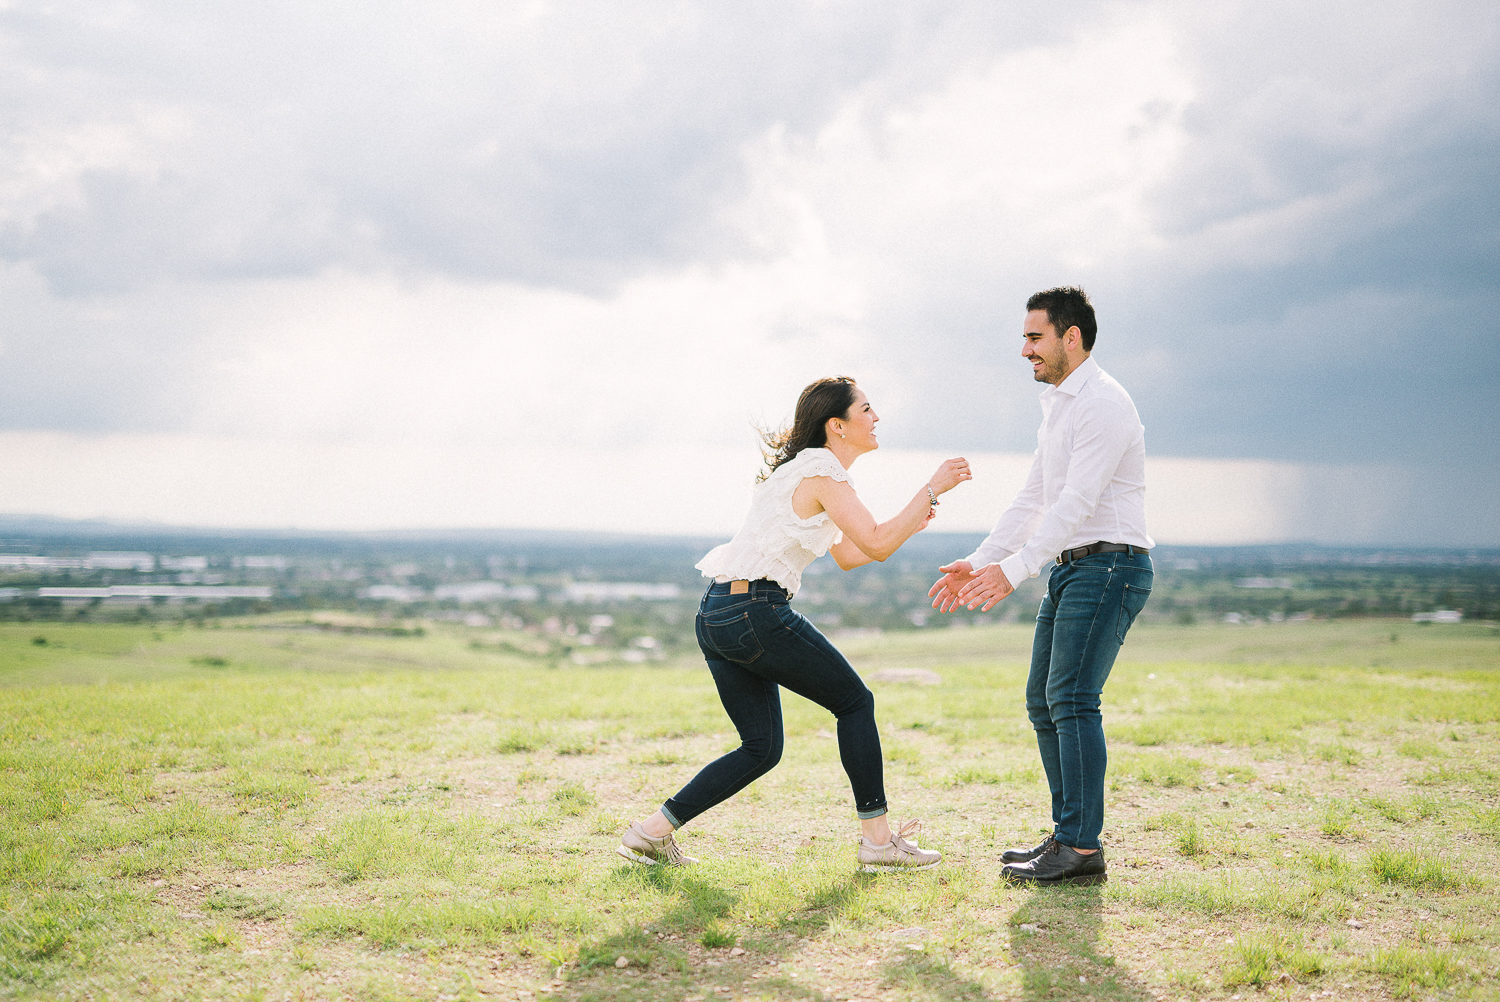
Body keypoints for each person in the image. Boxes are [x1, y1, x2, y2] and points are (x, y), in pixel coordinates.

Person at [618, 376, 970, 872]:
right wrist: (931, 488)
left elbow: (851, 554)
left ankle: (651, 833)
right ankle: (878, 841)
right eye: (866, 409)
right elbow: (874, 543)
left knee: (761, 748)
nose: (876, 418)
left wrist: (914, 517)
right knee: (855, 702)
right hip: (755, 610)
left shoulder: (805, 471)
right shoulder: (824, 471)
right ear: (838, 426)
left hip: (718, 610)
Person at [928, 287, 1153, 887]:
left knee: (1073, 700)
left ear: (1070, 337)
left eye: (1035, 337)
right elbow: (1034, 498)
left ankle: (1080, 848)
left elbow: (1077, 503)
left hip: (1111, 566)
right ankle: (1068, 835)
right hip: (1073, 567)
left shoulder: (1103, 402)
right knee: (1043, 700)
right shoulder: (1059, 405)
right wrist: (982, 560)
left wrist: (1015, 569)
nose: (1024, 348)